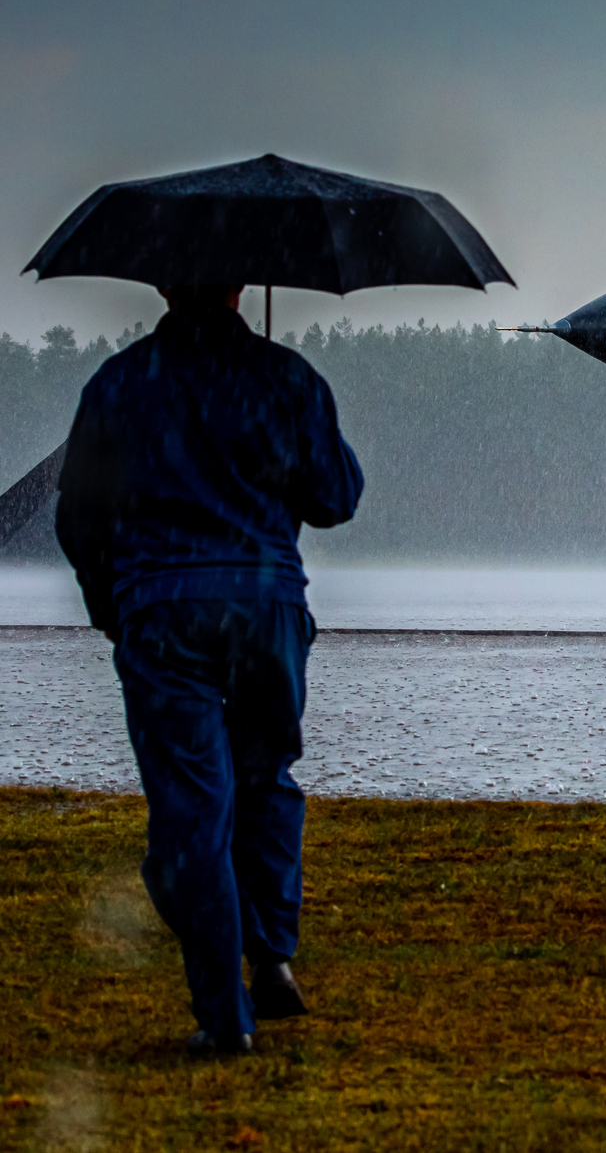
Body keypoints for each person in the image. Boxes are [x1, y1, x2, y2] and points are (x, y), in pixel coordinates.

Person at [56, 284, 363, 1057]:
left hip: (161, 608)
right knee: (266, 781)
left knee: (192, 811)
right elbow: (336, 497)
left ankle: (226, 1016)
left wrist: (111, 606)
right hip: (266, 608)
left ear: (162, 285)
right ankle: (272, 953)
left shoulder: (118, 385)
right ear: (239, 287)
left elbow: (76, 519)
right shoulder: (288, 378)